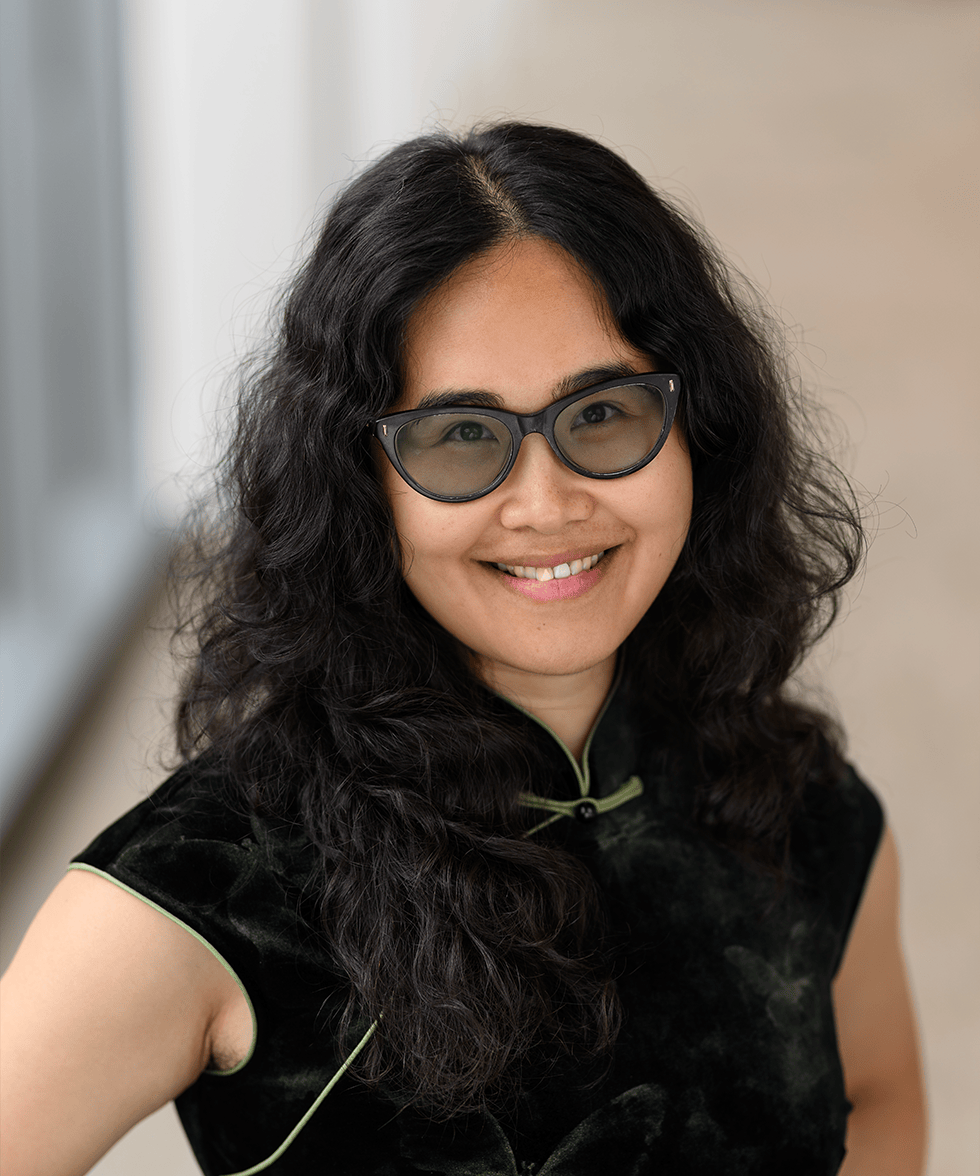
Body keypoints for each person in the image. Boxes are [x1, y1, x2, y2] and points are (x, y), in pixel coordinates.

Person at [1, 122, 925, 1175]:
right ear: (360, 485)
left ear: (696, 430)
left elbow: (878, 1100)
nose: (546, 504)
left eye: (603, 412)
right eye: (461, 436)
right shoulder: (212, 884)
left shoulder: (802, 804)